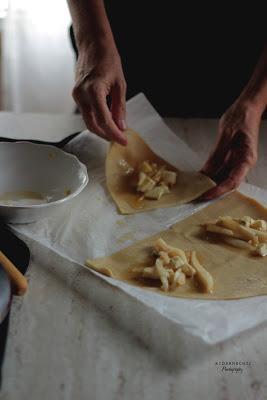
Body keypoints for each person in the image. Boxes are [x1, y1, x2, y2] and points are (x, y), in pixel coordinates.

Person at [67, 1, 267, 200]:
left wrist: (254, 102)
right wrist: (93, 42)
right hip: (119, 39)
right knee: (97, 125)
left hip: (238, 59)